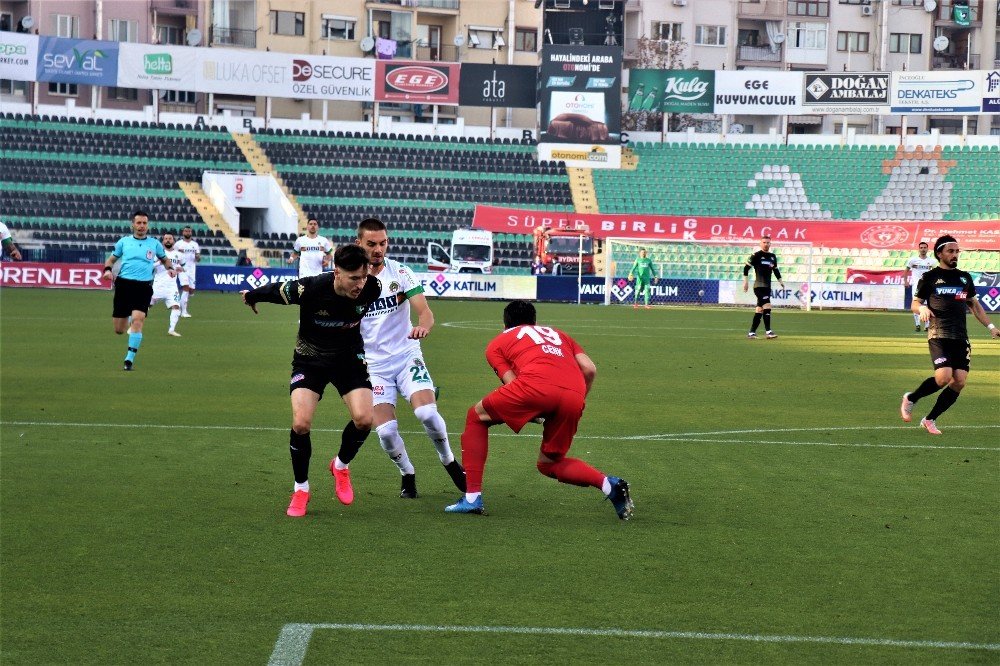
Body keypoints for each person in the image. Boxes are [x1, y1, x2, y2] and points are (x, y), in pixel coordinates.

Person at [445, 300, 634, 521]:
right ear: (535, 321)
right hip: (574, 395)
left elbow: (512, 383)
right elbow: (589, 369)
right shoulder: (559, 335)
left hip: (535, 388)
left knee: (476, 416)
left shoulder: (497, 343)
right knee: (549, 463)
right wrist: (576, 401)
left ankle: (472, 498)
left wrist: (534, 411)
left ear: (505, 324)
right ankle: (609, 486)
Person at [240, 244, 382, 517]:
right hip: (310, 360)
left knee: (365, 420)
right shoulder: (312, 288)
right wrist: (253, 296)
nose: (360, 284)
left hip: (348, 360)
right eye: (354, 278)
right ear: (337, 272)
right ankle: (301, 489)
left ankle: (340, 466)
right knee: (301, 423)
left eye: (363, 277)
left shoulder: (372, 288)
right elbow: (278, 290)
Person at [355, 217, 466, 499]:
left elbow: (425, 312)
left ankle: (449, 461)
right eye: (371, 244)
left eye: (382, 243)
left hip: (406, 356)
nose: (378, 249)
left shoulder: (401, 272)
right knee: (386, 433)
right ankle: (407, 472)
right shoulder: (350, 280)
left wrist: (423, 326)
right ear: (359, 244)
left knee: (427, 413)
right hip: (374, 367)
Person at [899, 235, 999, 435]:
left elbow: (973, 304)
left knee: (959, 381)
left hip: (960, 336)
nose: (955, 255)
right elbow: (914, 303)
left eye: (957, 251)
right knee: (944, 377)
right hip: (938, 333)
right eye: (950, 251)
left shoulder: (964, 277)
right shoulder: (930, 278)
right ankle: (911, 398)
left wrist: (991, 327)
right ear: (939, 254)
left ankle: (929, 419)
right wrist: (922, 309)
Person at [101, 210, 176, 371]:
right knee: (119, 330)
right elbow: (111, 259)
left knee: (138, 320)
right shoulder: (124, 242)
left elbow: (165, 259)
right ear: (133, 224)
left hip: (144, 287)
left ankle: (129, 359)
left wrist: (170, 268)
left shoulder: (154, 244)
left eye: (144, 223)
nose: (142, 226)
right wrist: (107, 270)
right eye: (139, 223)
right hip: (124, 285)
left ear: (147, 225)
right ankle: (127, 317)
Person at [743, 235, 785, 339]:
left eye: (768, 242)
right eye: (764, 242)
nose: (766, 244)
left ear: (770, 244)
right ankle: (768, 332)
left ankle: (751, 333)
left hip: (767, 287)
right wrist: (746, 282)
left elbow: (775, 270)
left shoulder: (772, 256)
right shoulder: (756, 255)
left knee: (759, 310)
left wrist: (781, 281)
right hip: (758, 287)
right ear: (760, 243)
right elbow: (746, 268)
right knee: (767, 306)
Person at [149, 233, 184, 337]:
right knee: (146, 306)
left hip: (172, 286)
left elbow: (182, 267)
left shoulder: (179, 255)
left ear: (173, 241)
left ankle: (171, 330)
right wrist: (158, 263)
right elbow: (150, 266)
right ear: (163, 241)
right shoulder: (158, 254)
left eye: (170, 239)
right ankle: (133, 326)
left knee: (176, 307)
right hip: (158, 285)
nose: (168, 240)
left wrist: (180, 269)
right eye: (166, 239)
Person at [905, 242, 935, 332]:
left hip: (928, 286)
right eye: (921, 247)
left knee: (927, 305)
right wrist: (905, 281)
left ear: (927, 249)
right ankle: (917, 325)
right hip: (916, 286)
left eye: (925, 247)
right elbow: (906, 270)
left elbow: (935, 273)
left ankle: (927, 325)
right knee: (916, 304)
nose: (923, 249)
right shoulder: (912, 260)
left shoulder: (932, 261)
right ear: (919, 249)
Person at [174, 226, 201, 318]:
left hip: (192, 269)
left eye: (189, 231)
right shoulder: (178, 244)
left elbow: (198, 259)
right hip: (182, 269)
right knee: (186, 287)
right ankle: (183, 311)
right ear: (183, 232)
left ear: (191, 233)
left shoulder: (195, 244)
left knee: (191, 290)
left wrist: (197, 256)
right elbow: (173, 255)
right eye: (186, 231)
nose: (187, 232)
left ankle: (181, 302)